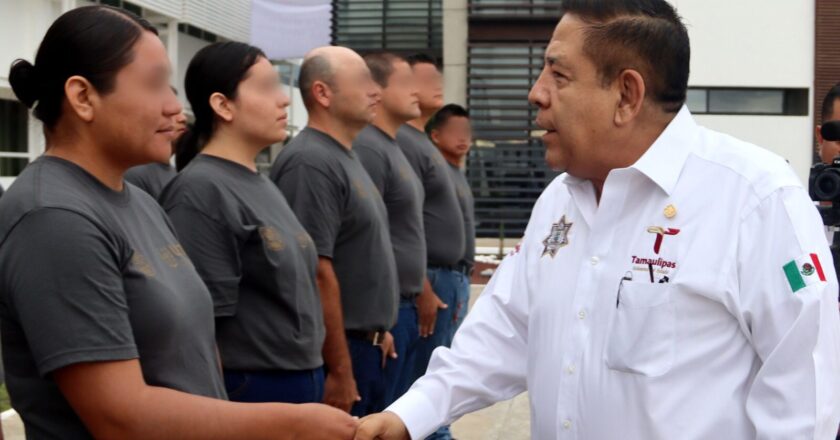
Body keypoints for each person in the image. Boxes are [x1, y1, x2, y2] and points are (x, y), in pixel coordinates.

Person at [356, 0, 840, 439]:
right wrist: (407, 417)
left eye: (558, 76)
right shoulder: (559, 202)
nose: (535, 94)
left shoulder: (754, 198)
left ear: (627, 95)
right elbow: (504, 332)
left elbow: (803, 390)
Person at [1, 6, 356, 439]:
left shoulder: (142, 203)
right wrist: (293, 423)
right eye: (154, 86)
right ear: (82, 97)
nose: (176, 109)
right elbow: (120, 417)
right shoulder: (54, 218)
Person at [158, 42, 326, 404]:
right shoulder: (201, 190)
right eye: (267, 87)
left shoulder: (258, 180)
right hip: (250, 388)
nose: (283, 100)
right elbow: (198, 328)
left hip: (298, 379)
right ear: (222, 105)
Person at [270, 46, 399, 417]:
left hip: (368, 346)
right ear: (322, 93)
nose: (375, 91)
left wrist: (379, 329)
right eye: (362, 81)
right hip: (342, 352)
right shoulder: (311, 162)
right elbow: (316, 270)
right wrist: (340, 369)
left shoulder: (347, 156)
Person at [395, 53, 465, 440]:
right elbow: (404, 223)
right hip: (429, 282)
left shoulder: (419, 143)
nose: (437, 82)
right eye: (424, 77)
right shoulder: (403, 143)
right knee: (422, 388)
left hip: (444, 278)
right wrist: (422, 284)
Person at [353, 52, 426, 406]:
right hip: (389, 308)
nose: (417, 91)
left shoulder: (391, 146)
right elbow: (366, 235)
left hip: (401, 308)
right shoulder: (368, 147)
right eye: (405, 82)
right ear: (376, 90)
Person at [426, 104, 475, 338]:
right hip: (438, 276)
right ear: (435, 135)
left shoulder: (458, 173)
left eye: (466, 130)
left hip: (460, 277)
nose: (463, 137)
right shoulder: (434, 172)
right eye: (455, 131)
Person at [123, 86, 185, 199]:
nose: (182, 118)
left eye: (180, 111)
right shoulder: (137, 173)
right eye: (170, 113)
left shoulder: (174, 172)